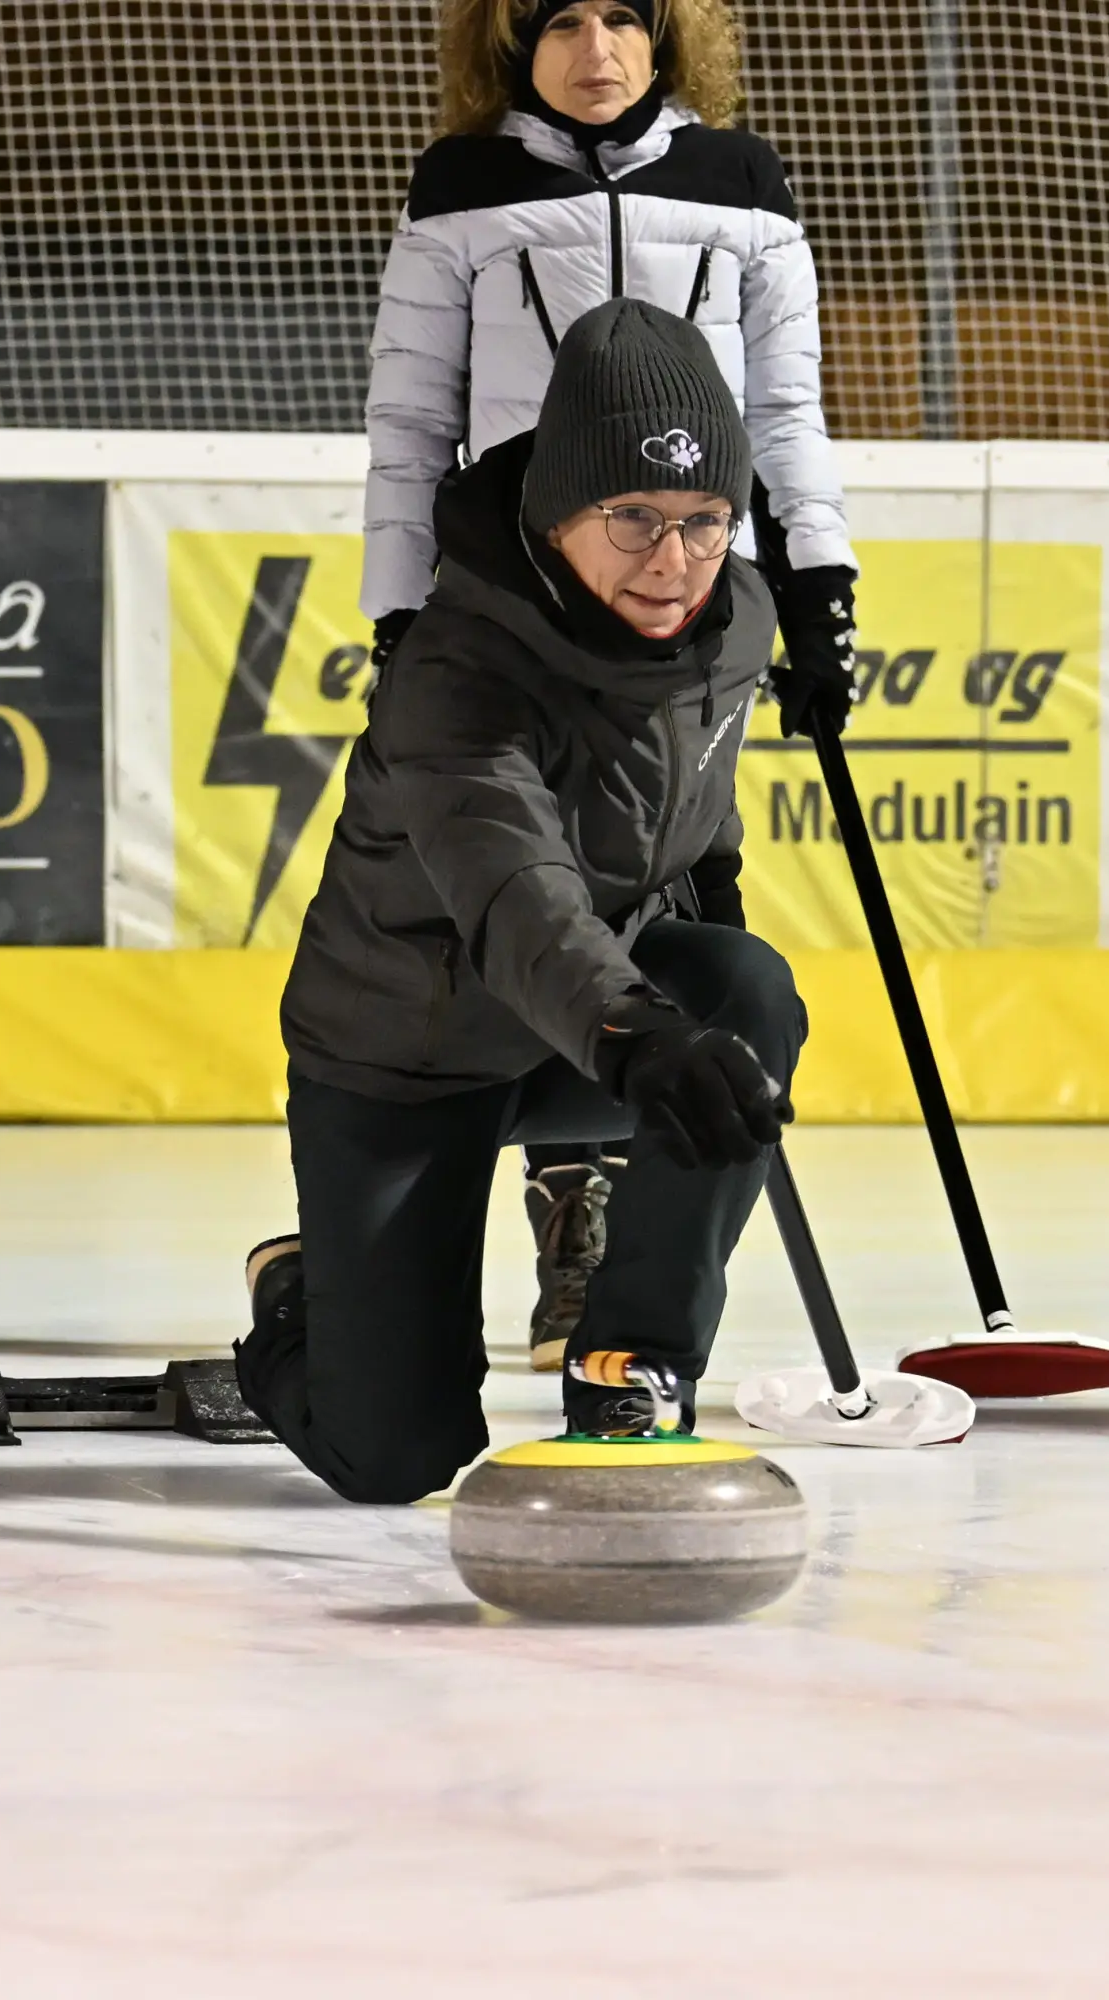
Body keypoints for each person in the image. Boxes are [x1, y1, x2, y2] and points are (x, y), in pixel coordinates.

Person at [363, 0, 861, 1377]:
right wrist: (401, 616)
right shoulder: (466, 187)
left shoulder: (740, 184)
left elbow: (784, 412)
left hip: (692, 610)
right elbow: (411, 421)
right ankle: (565, 1203)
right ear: (512, 42)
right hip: (514, 612)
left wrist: (819, 591)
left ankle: (642, 1254)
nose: (597, 51)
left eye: (624, 19)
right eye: (564, 22)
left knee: (692, 909)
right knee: (541, 895)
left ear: (668, 36)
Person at [240, 300, 806, 1505]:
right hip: (409, 1051)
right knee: (395, 1457)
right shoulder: (455, 674)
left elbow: (697, 829)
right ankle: (300, 1294)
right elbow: (517, 896)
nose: (674, 560)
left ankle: (631, 1364)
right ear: (557, 513)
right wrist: (647, 1038)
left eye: (706, 519)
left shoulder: (735, 622)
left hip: (578, 1033)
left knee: (749, 990)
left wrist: (716, 1037)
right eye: (634, 517)